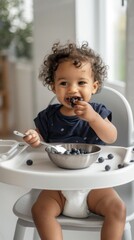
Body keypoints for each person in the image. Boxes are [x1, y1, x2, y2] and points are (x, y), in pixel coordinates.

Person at [23, 41, 126, 240]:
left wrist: (93, 118)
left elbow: (111, 136)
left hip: (95, 185)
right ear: (53, 87)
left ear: (94, 87)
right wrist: (34, 137)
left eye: (81, 83)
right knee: (40, 211)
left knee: (118, 209)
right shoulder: (48, 116)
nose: (72, 89)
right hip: (58, 188)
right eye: (63, 83)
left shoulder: (97, 112)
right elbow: (39, 141)